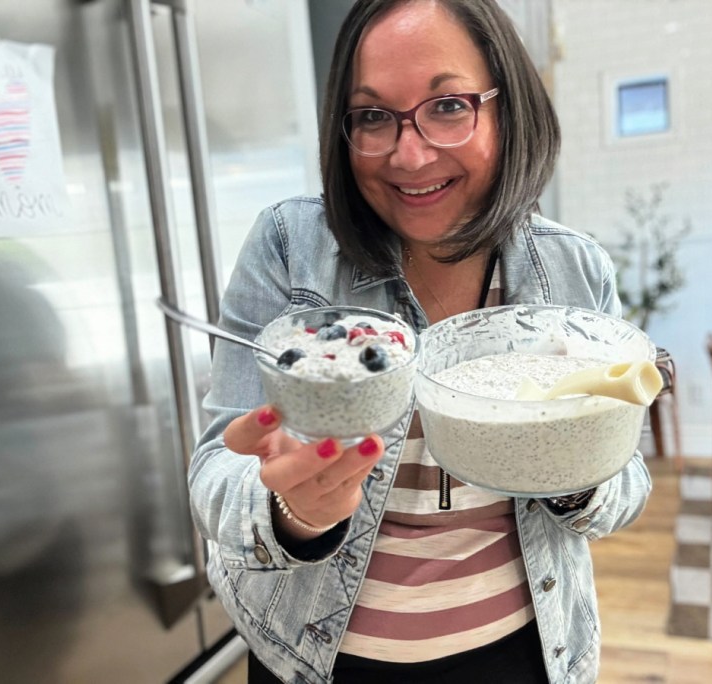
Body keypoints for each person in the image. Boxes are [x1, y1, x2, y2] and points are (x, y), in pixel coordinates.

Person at [189, 1, 652, 682]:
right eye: (373, 116)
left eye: (448, 106)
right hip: (313, 657)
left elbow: (627, 485)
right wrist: (294, 510)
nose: (409, 154)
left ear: (507, 108)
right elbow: (214, 477)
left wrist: (571, 466)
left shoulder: (573, 273)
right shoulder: (291, 249)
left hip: (519, 653)